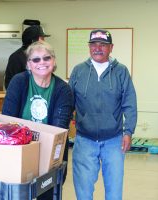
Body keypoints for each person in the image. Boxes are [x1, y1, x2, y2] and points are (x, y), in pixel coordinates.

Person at [69, 29, 137, 200]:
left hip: (114, 141)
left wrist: (128, 131)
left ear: (111, 47)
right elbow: (68, 102)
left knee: (114, 191)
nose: (97, 48)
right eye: (93, 44)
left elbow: (130, 103)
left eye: (103, 44)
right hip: (85, 140)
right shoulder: (78, 71)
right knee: (83, 192)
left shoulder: (121, 72)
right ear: (89, 47)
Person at [2, 41, 74, 199]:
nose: (41, 62)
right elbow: (7, 120)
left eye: (46, 58)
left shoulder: (63, 89)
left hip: (50, 156)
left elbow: (58, 129)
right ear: (28, 64)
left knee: (47, 195)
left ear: (53, 61)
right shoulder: (18, 82)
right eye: (36, 59)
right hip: (19, 151)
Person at [4, 25, 50, 89]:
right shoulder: (16, 57)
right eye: (42, 39)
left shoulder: (39, 57)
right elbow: (10, 85)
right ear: (33, 41)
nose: (44, 41)